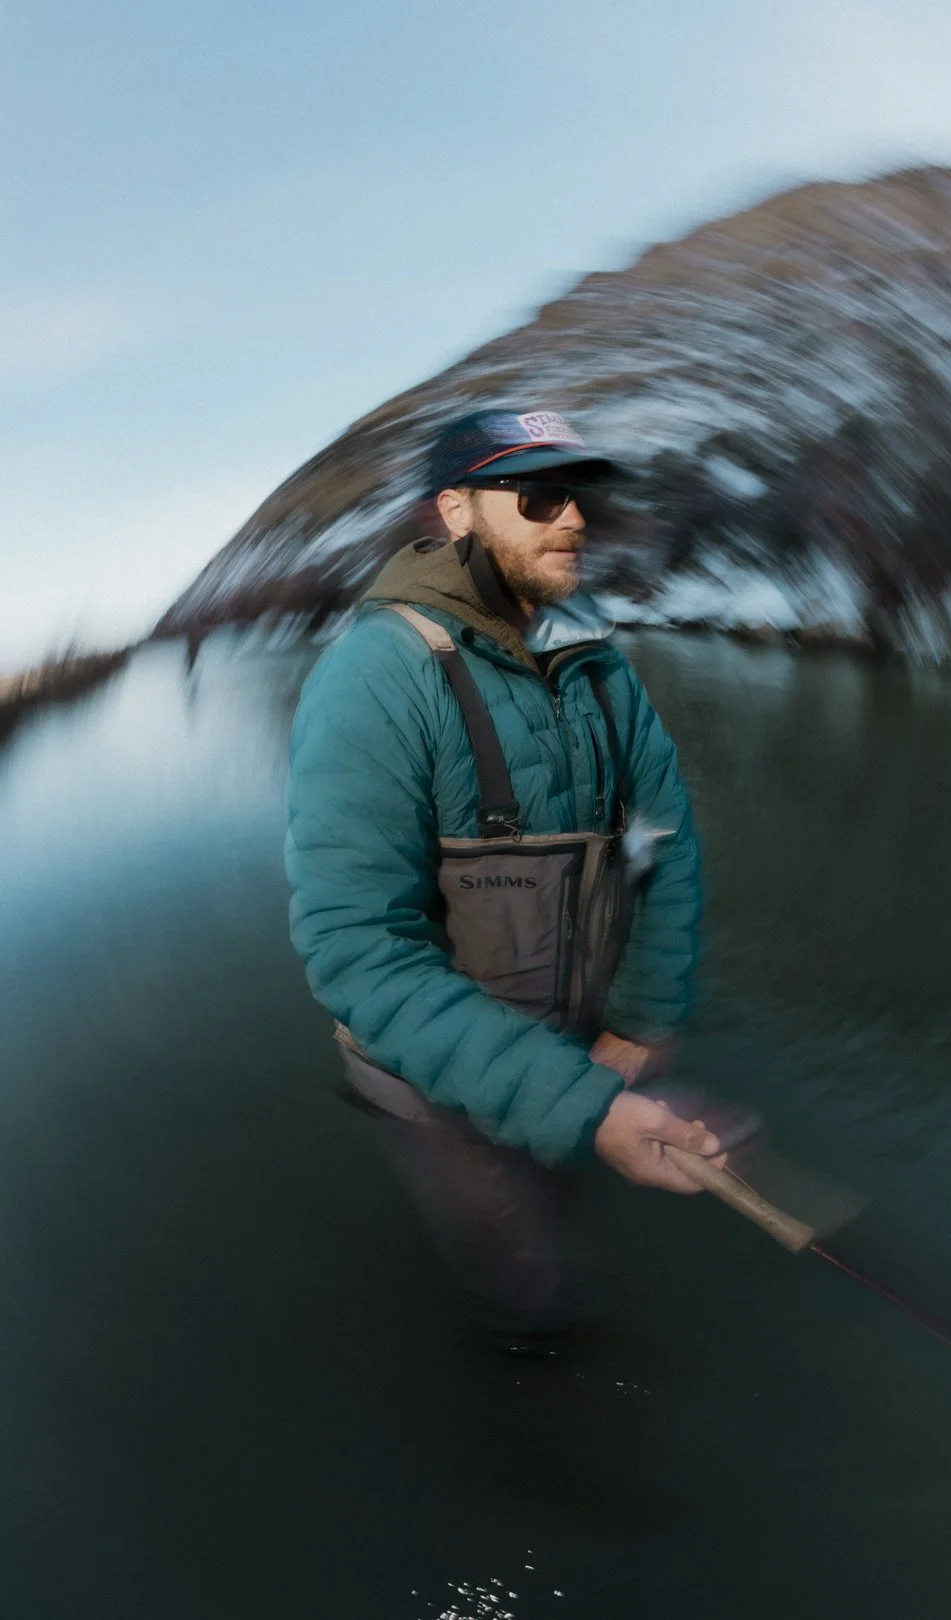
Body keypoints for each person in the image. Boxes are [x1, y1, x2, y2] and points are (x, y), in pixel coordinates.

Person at [285, 408, 729, 1353]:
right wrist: (585, 1105)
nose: (571, 520)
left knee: (561, 1183)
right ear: (455, 511)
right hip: (434, 1083)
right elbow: (359, 953)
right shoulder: (377, 677)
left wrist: (640, 1020)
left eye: (577, 497)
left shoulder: (598, 665)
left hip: (575, 1042)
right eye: (536, 497)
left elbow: (663, 840)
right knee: (528, 1282)